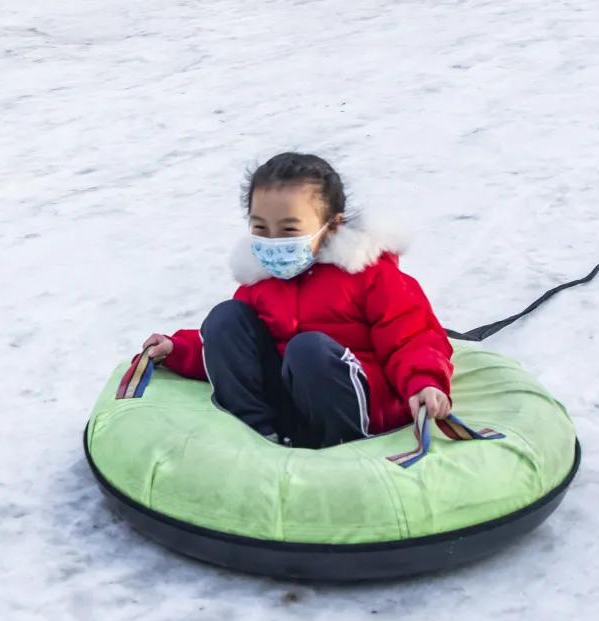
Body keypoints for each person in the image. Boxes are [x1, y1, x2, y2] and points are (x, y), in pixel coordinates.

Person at [142, 152, 453, 449]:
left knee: (308, 349)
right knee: (226, 318)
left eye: (289, 229)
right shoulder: (261, 282)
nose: (273, 241)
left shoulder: (371, 277)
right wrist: (178, 349)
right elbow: (237, 350)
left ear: (332, 226)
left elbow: (413, 338)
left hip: (352, 406)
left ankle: (341, 445)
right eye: (261, 228)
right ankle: (256, 433)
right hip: (288, 406)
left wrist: (424, 383)